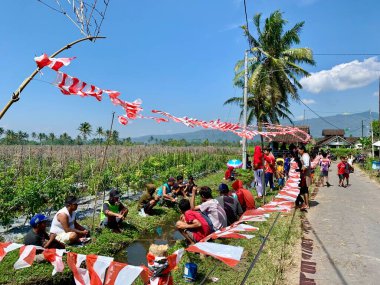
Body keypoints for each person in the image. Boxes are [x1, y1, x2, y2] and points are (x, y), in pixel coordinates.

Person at [298, 145, 311, 210]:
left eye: (299, 150)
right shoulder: (303, 155)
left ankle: (306, 204)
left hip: (305, 175)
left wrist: (301, 170)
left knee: (305, 190)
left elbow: (306, 165)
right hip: (304, 174)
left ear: (302, 149)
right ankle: (305, 203)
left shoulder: (305, 155)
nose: (298, 151)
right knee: (304, 190)